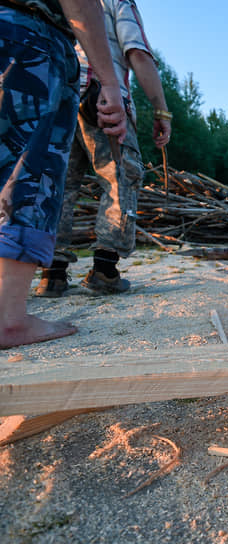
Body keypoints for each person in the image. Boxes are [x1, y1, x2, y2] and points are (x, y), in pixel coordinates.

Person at [0, 0, 127, 349]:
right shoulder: (123, 6)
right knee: (30, 171)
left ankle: (50, 276)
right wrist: (110, 83)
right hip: (27, 40)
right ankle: (8, 318)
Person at [35, 0, 171, 297]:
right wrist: (161, 110)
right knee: (120, 177)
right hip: (103, 97)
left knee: (60, 185)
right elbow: (137, 51)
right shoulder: (117, 1)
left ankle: (52, 275)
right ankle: (105, 271)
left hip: (59, 98)